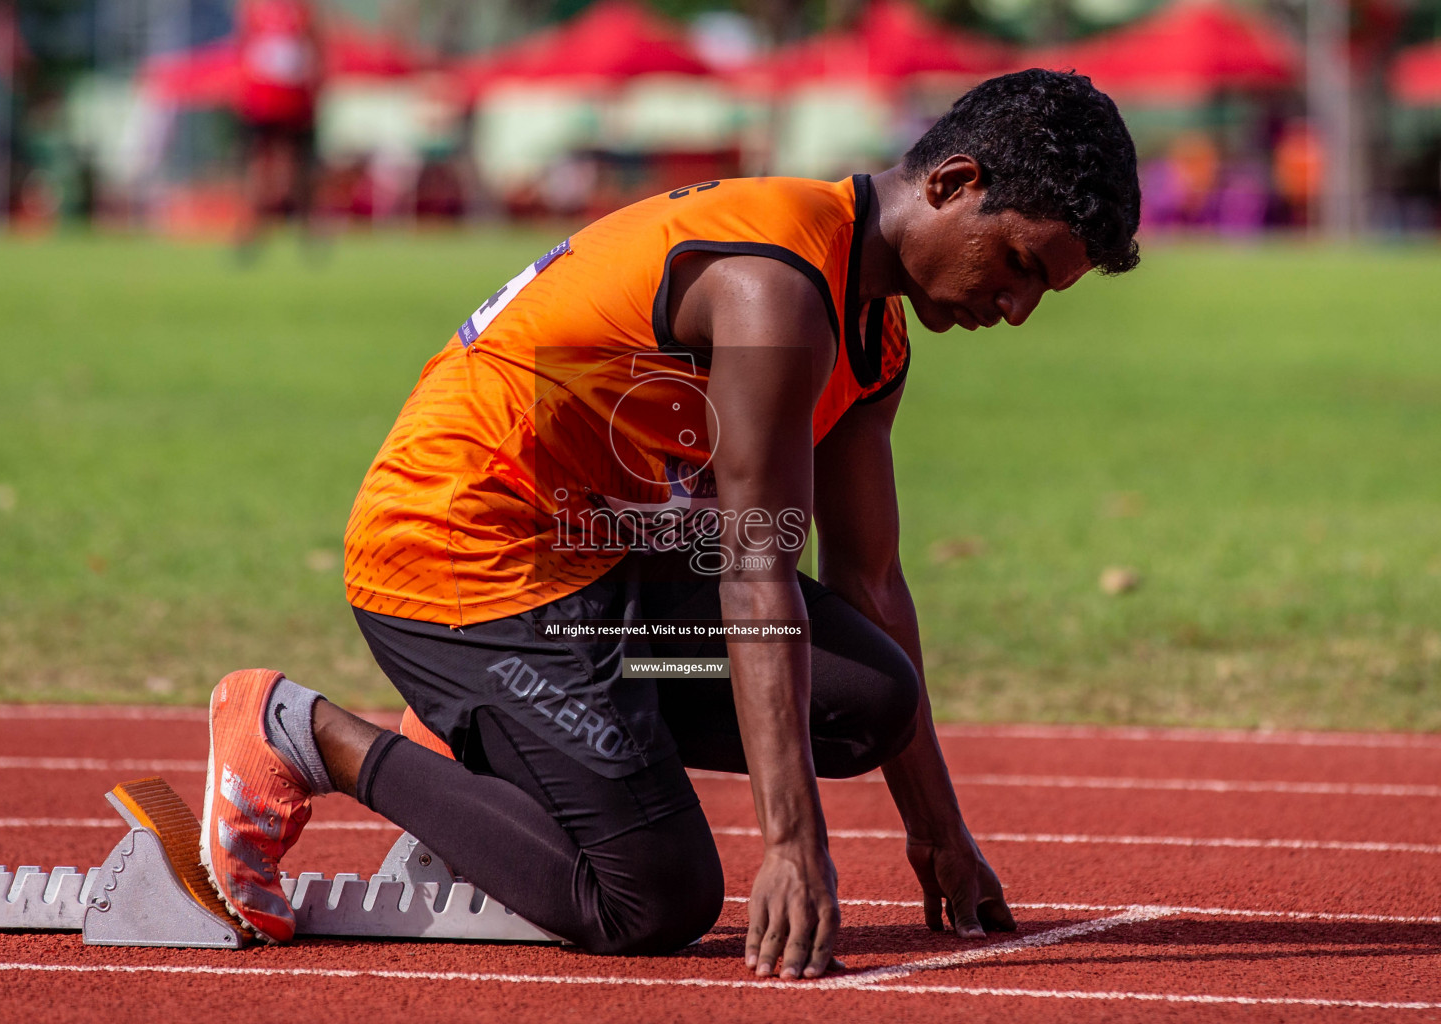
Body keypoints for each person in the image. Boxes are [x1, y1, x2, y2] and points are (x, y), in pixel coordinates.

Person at [199, 69, 1141, 980]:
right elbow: (755, 569)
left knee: (872, 702)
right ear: (953, 183)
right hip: (458, 554)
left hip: (596, 573)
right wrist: (792, 846)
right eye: (1018, 264)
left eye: (1043, 294)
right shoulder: (776, 287)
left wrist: (938, 830)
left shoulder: (874, 328)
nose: (1015, 309)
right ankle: (298, 732)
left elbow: (871, 586)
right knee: (653, 900)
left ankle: (485, 729)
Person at [232, 0, 324, 255]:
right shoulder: (254, 8)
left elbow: (317, 50)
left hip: (295, 102)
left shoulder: (304, 10)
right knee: (260, 167)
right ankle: (252, 229)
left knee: (296, 168)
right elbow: (244, 48)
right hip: (262, 100)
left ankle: (306, 229)